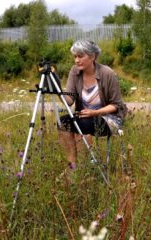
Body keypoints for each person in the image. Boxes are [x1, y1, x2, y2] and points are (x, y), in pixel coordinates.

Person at [57, 39, 128, 180]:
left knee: (79, 125)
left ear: (92, 56)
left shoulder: (107, 73)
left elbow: (116, 105)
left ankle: (85, 167)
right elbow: (70, 99)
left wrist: (94, 112)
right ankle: (72, 166)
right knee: (62, 122)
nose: (77, 60)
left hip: (110, 119)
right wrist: (59, 93)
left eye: (80, 56)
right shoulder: (75, 71)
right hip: (85, 116)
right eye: (75, 56)